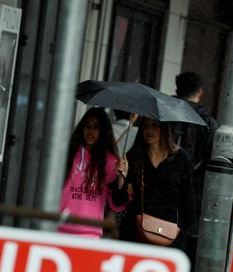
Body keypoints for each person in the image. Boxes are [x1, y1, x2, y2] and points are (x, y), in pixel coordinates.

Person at [120, 116, 195, 252]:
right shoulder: (134, 156)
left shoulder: (180, 158)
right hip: (135, 235)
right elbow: (118, 201)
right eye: (145, 126)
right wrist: (121, 178)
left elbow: (188, 202)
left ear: (165, 128)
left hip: (170, 236)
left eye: (155, 125)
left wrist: (181, 229)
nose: (149, 130)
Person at [58, 107, 130, 238]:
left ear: (103, 131)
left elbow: (117, 204)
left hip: (90, 233)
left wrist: (121, 178)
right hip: (60, 228)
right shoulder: (68, 154)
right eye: (87, 126)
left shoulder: (111, 161)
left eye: (96, 127)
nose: (90, 131)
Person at [172, 72, 218, 211]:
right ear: (200, 92)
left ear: (177, 90)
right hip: (193, 187)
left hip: (158, 181)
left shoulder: (162, 112)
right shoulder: (208, 122)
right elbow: (211, 158)